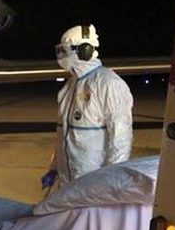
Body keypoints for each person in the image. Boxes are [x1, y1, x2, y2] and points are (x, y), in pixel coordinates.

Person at [42, 24, 134, 189]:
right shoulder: (68, 87)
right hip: (66, 181)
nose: (61, 57)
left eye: (65, 51)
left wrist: (111, 178)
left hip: (92, 183)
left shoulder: (108, 84)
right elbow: (63, 134)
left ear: (84, 50)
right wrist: (54, 168)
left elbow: (120, 139)